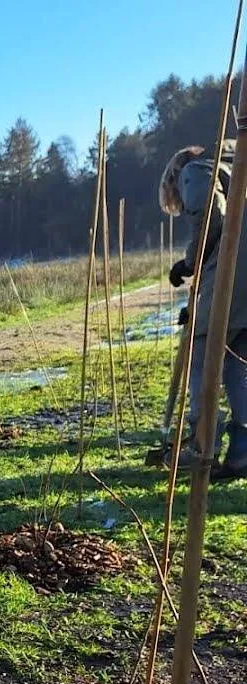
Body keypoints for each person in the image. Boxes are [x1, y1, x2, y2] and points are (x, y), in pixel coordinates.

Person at [160, 141, 247, 480]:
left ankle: (201, 444)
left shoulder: (195, 171)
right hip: (241, 275)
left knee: (203, 360)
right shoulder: (235, 167)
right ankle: (241, 451)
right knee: (240, 364)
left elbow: (211, 215)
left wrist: (190, 260)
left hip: (234, 274)